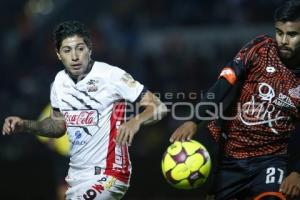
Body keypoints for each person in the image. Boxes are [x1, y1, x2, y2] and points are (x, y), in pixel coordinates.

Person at [2, 21, 167, 200]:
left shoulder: (111, 75)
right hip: (76, 177)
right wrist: (25, 125)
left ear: (89, 49)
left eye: (80, 48)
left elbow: (158, 106)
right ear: (58, 54)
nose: (74, 56)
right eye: (67, 50)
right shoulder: (59, 82)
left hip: (111, 174)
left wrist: (135, 122)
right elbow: (57, 127)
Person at [170, 0, 300, 199]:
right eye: (279, 32)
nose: (283, 40)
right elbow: (223, 84)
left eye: (292, 34)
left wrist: (297, 172)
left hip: (272, 160)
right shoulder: (260, 49)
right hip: (230, 158)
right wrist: (194, 119)